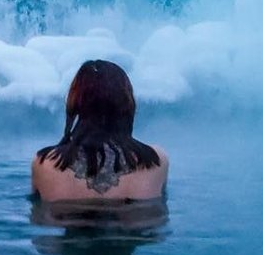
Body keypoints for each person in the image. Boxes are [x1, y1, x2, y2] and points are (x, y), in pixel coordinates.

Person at [32, 60, 168, 202]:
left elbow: (39, 217)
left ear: (77, 103)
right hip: (133, 220)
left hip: (69, 219)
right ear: (126, 103)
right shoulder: (157, 161)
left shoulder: (45, 164)